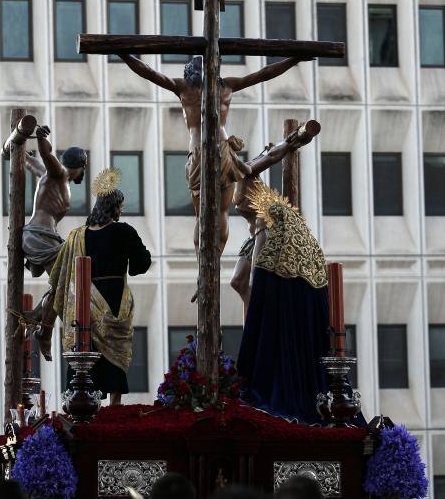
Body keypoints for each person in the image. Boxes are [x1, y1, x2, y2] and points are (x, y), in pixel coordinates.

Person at [119, 54, 310, 258]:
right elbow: (263, 74)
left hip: (199, 152)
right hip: (222, 150)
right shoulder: (226, 86)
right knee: (221, 213)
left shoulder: (184, 87)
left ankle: (204, 266)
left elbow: (148, 72)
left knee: (201, 216)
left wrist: (123, 54)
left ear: (189, 71)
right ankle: (213, 261)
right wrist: (293, 60)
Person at [46, 168, 152, 405]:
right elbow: (142, 263)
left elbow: (60, 275)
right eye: (120, 206)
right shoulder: (124, 232)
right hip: (114, 303)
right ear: (114, 207)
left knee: (85, 352)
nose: (121, 210)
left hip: (84, 304)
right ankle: (114, 407)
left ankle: (81, 404)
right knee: (115, 356)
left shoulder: (76, 236)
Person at [235, 181, 331, 424]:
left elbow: (258, 274)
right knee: (238, 282)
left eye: (241, 194)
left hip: (274, 299)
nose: (236, 199)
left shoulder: (267, 220)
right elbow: (242, 280)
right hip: (267, 289)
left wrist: (258, 302)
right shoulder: (258, 226)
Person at [11, 125, 87, 359]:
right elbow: (45, 156)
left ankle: (37, 316)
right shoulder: (59, 174)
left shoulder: (53, 176)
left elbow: (34, 162)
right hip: (39, 237)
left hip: (46, 237)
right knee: (65, 284)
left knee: (65, 283)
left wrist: (21, 152)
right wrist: (42, 139)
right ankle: (44, 332)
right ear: (82, 167)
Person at [231, 121, 319, 311]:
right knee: (237, 282)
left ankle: (262, 319)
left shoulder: (245, 170)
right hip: (253, 236)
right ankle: (254, 317)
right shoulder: (226, 186)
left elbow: (271, 156)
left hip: (267, 227)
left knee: (257, 282)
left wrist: (290, 142)